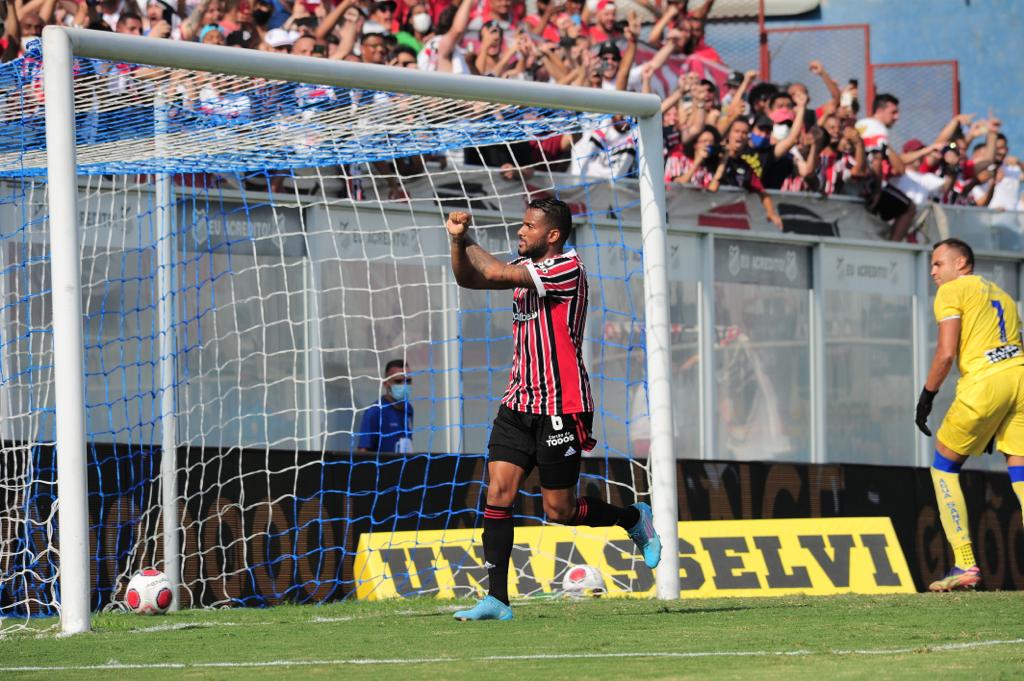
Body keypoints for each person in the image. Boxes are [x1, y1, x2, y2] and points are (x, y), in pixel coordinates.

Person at [445, 198, 661, 621]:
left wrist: (467, 236)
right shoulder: (526, 268)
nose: (520, 231)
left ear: (553, 235)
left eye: (528, 226)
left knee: (559, 511)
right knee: (498, 493)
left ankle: (633, 518)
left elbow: (490, 271)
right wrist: (457, 244)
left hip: (561, 405)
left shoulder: (566, 269)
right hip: (518, 402)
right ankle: (497, 599)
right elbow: (469, 279)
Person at [915, 239, 1024, 592]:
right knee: (1020, 472)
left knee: (943, 466)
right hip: (1020, 378)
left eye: (937, 264)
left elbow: (946, 353)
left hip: (985, 385)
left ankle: (964, 563)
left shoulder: (952, 291)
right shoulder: (1005, 296)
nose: (933, 272)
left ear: (961, 262)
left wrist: (927, 396)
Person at [357, 359, 414, 454]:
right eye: (398, 381)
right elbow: (362, 452)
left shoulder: (409, 409)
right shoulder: (375, 412)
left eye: (408, 381)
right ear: (386, 384)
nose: (404, 385)